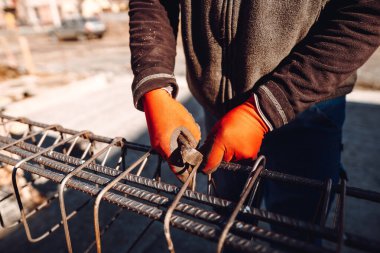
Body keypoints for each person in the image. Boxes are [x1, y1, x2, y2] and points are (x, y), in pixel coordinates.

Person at [128, 0, 380, 237]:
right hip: (220, 113)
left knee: (296, 233)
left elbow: (368, 11)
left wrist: (262, 112)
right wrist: (154, 86)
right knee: (230, 226)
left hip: (308, 107)